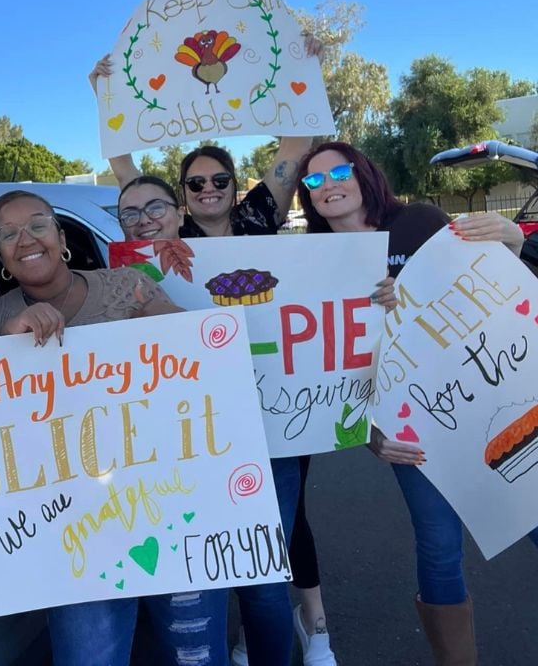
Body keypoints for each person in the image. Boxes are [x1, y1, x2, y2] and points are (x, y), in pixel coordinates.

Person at [96, 38, 342, 666]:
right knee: (228, 546)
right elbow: (133, 188)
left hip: (274, 410)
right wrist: (107, 98)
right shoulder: (153, 242)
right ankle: (268, 632)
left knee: (271, 551)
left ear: (235, 186)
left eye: (218, 179)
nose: (207, 188)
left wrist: (303, 69)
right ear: (181, 196)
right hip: (193, 428)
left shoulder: (261, 214)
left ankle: (297, 629)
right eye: (194, 182)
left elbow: (293, 149)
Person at [295, 140, 538, 666]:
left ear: (363, 174)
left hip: (489, 399)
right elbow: (329, 368)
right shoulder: (317, 266)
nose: (327, 186)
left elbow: (496, 281)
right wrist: (371, 434)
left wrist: (512, 237)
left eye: (337, 172)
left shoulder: (421, 221)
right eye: (313, 181)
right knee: (437, 545)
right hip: (411, 425)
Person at [0, 188, 230, 666]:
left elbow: (202, 356)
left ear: (61, 235)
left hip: (169, 506)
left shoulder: (126, 285)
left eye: (38, 225)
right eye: (8, 233)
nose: (25, 238)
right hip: (75, 536)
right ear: (1, 253)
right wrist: (4, 348)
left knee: (196, 656)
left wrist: (163, 322)